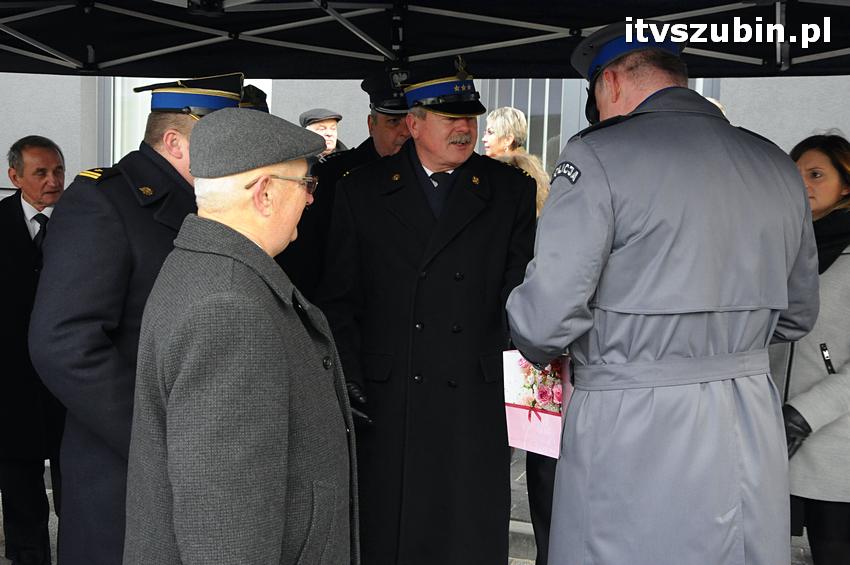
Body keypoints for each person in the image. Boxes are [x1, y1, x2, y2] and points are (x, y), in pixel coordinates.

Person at [506, 22, 819, 565]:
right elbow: (797, 315)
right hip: (747, 414)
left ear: (611, 84)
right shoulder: (772, 162)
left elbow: (543, 323)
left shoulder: (598, 157)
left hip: (633, 416)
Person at [317, 61, 537, 565]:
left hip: (473, 397)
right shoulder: (363, 190)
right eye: (447, 117)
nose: (464, 127)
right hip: (390, 397)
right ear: (413, 124)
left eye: (470, 117)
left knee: (466, 534)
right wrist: (349, 379)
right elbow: (340, 297)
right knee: (392, 535)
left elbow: (520, 292)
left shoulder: (508, 191)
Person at [123, 107, 358, 565]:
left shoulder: (204, 266)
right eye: (306, 185)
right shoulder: (229, 308)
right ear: (265, 193)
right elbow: (224, 527)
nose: (311, 200)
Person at [28, 73, 243, 565]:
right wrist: (158, 436)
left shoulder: (212, 203)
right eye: (222, 138)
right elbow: (64, 342)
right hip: (124, 463)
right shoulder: (105, 202)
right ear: (174, 142)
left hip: (199, 453)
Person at [770, 133, 850, 565]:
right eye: (794, 173)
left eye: (816, 174)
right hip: (769, 435)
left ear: (846, 184)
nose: (803, 183)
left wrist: (803, 414)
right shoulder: (781, 246)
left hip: (835, 442)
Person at [276, 71, 410, 301]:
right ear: (371, 124)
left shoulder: (431, 174)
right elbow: (308, 254)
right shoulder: (334, 177)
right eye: (393, 122)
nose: (405, 132)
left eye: (410, 121)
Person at [1, 135, 66, 565]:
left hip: (69, 386)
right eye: (41, 172)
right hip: (10, 385)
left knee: (78, 491)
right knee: (21, 494)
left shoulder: (83, 221)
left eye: (58, 171)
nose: (52, 181)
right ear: (14, 176)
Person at [484, 107, 550, 214]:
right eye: (485, 132)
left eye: (490, 133)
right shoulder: (532, 167)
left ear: (508, 140)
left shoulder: (508, 170)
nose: (484, 139)